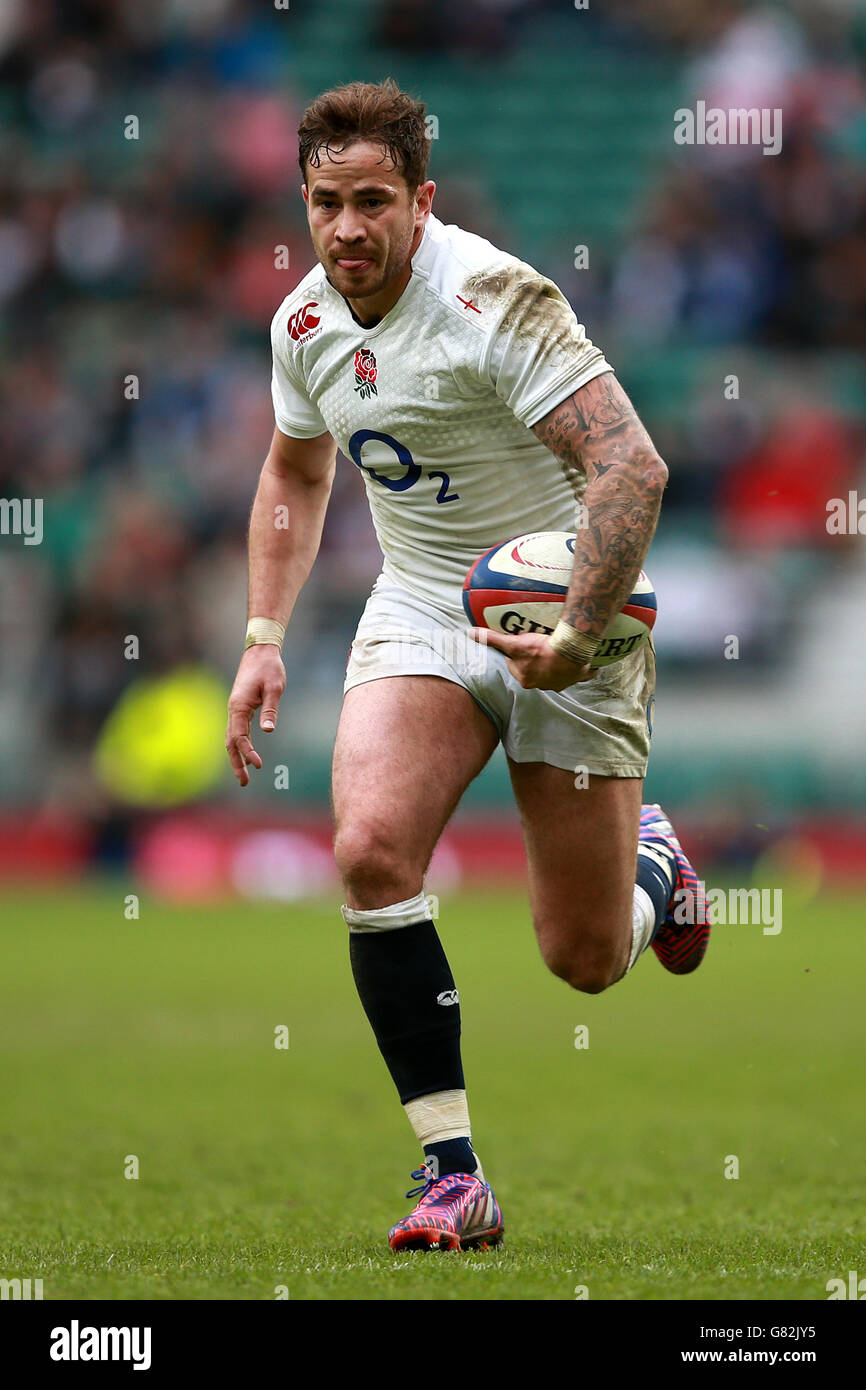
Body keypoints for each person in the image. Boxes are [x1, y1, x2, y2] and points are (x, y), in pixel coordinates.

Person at [225, 78, 710, 1252]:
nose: (346, 227)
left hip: (567, 610)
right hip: (422, 609)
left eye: (373, 201)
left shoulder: (493, 299)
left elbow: (631, 470)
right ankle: (452, 1173)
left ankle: (655, 866)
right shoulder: (302, 324)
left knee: (583, 960)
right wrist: (261, 637)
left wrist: (581, 635)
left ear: (421, 199)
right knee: (367, 849)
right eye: (326, 202)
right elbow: (295, 474)